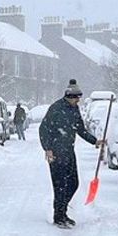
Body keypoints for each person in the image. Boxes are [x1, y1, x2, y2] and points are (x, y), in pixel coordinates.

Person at [38, 79, 101, 227]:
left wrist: (95, 141)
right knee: (60, 185)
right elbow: (43, 129)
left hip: (69, 151)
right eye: (77, 98)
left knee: (73, 183)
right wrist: (48, 148)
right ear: (69, 96)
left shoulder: (74, 109)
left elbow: (80, 129)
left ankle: (62, 211)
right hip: (56, 153)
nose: (78, 100)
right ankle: (59, 216)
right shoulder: (56, 108)